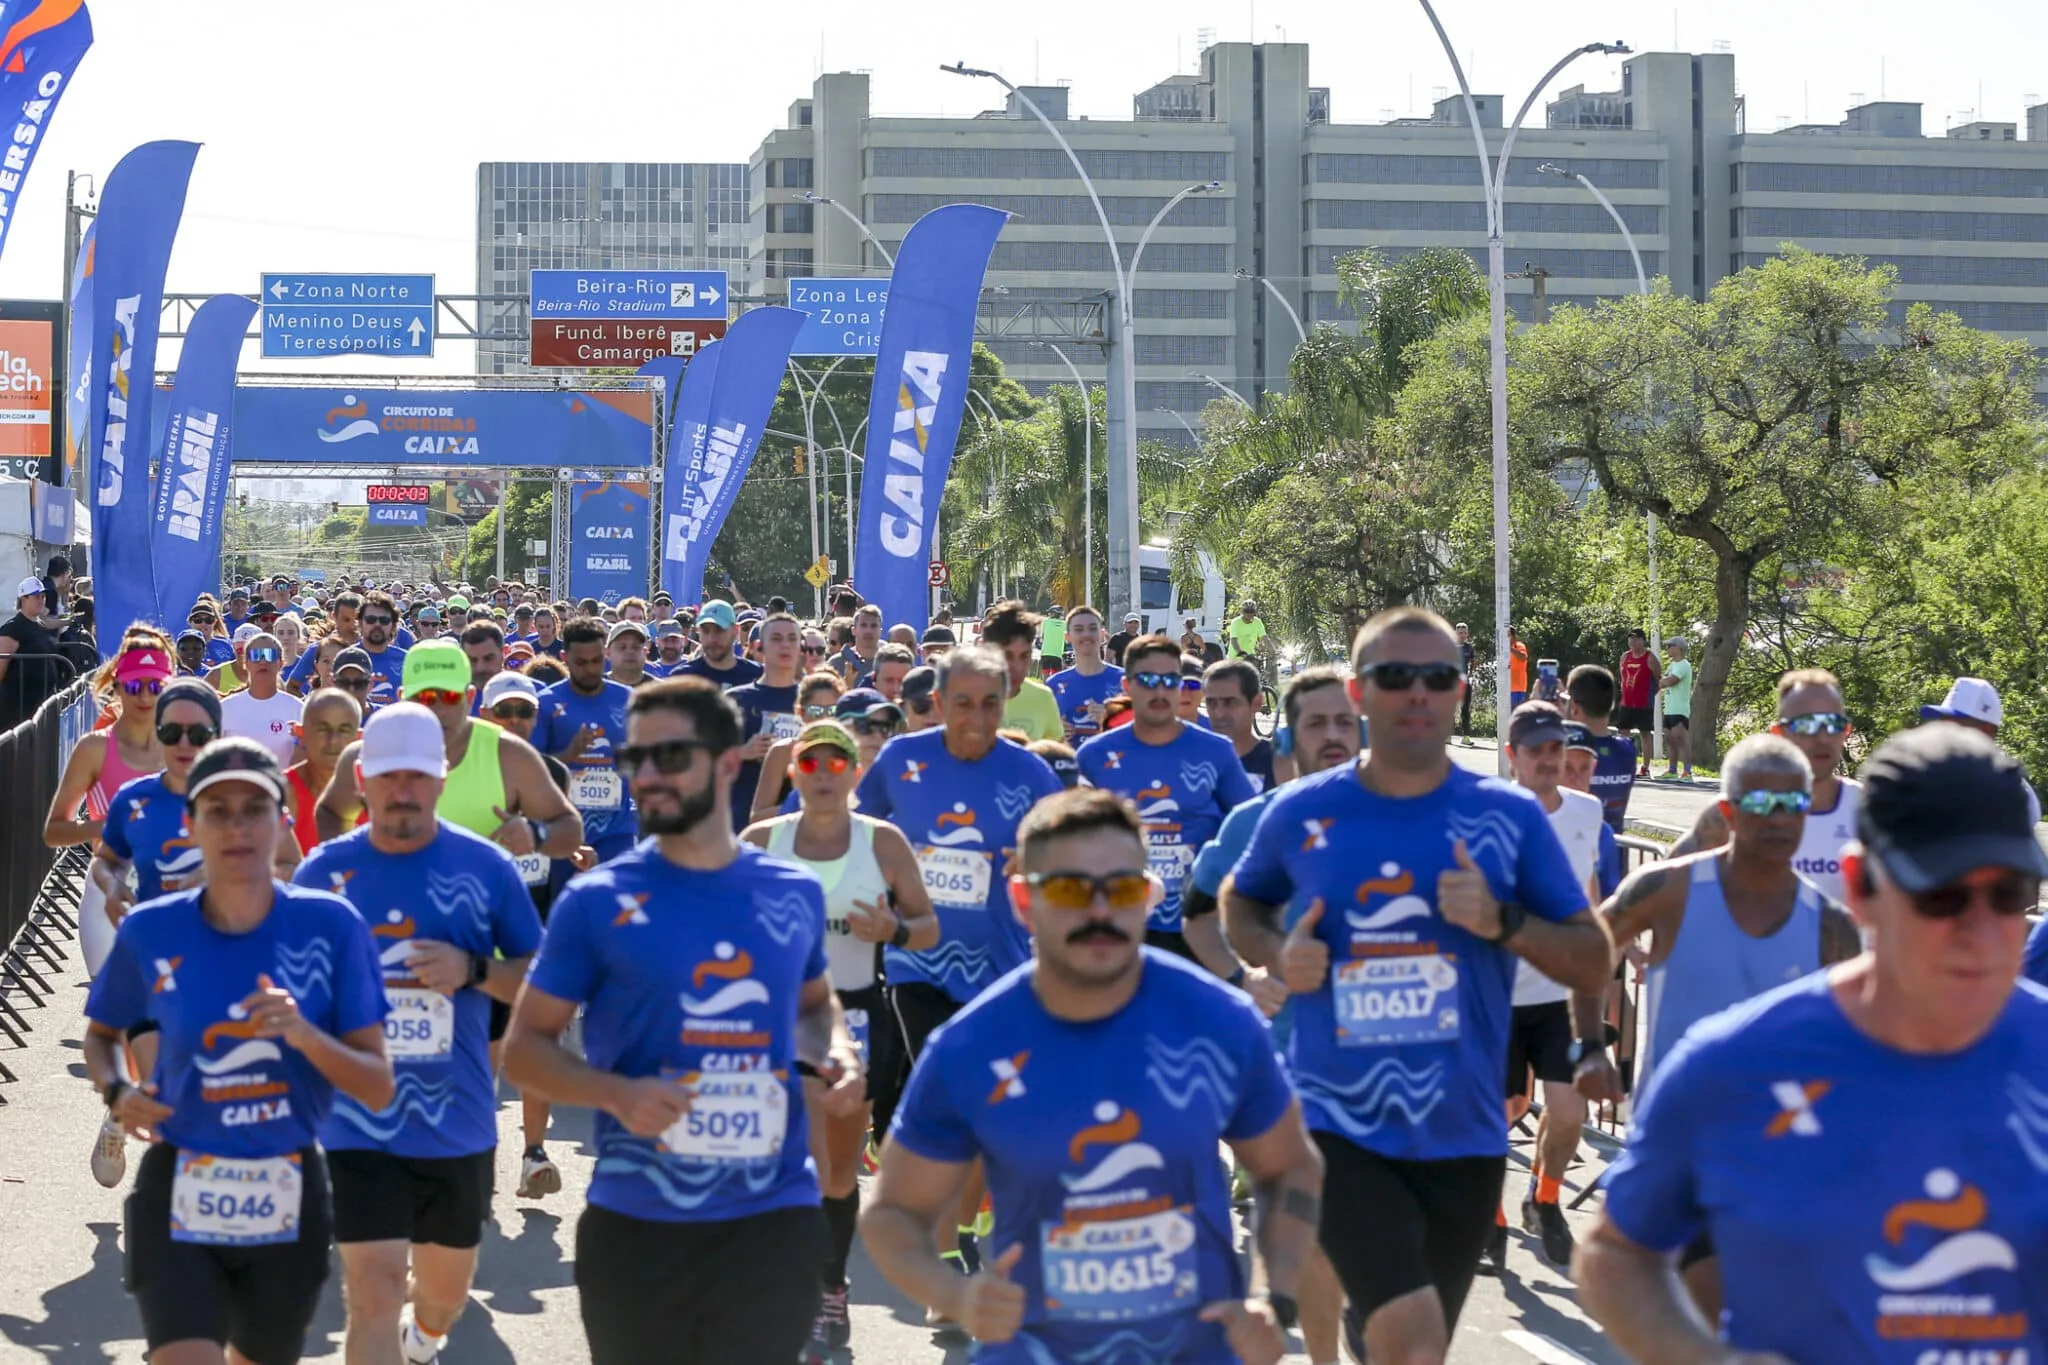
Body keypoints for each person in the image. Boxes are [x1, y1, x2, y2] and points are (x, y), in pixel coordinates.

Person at [1578, 724, 2048, 1365]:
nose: (1981, 932)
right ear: (1861, 888)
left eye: (2009, 895)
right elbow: (1616, 1253)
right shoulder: (1732, 1065)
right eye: (1941, 896)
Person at [1222, 607, 1612, 1365]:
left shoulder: (1504, 817)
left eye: (1437, 677)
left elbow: (1592, 957)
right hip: (1338, 1127)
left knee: (1404, 1344)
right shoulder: (1305, 811)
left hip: (1463, 1135)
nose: (1418, 693)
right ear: (1361, 691)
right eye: (1396, 677)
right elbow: (1241, 902)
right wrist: (1274, 952)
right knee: (1411, 1337)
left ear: (1461, 691)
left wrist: (1503, 921)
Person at [864, 786, 1323, 1365]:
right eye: (1070, 890)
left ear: (1149, 895)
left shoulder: (1215, 1019)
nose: (1099, 911)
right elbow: (890, 1214)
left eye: (1122, 889)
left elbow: (1291, 1167)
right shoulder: (974, 1045)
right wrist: (954, 1293)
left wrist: (1272, 1300)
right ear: (1023, 900)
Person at [501, 678, 864, 1365]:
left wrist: (837, 1051)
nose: (648, 776)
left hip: (772, 1217)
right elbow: (523, 1051)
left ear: (729, 762)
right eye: (637, 758)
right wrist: (616, 1093)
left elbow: (814, 1004)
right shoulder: (597, 900)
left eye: (671, 755)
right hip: (639, 1220)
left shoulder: (788, 890)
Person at [83, 738, 393, 1365]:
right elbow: (101, 1033)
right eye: (216, 810)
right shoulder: (152, 927)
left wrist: (305, 1034)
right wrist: (119, 1091)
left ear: (282, 820)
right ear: (191, 825)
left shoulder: (330, 926)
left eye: (254, 808)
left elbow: (378, 1083)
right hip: (178, 1187)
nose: (236, 826)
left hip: (286, 1188)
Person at [1573, 732, 1863, 1320]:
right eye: (1760, 803)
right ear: (1728, 811)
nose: (1779, 818)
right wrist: (1589, 1046)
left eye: (1793, 804)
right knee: (1700, 1313)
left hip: (1773, 1155)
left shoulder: (1831, 927)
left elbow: (1853, 1049)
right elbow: (1589, 950)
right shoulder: (1669, 888)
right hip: (1674, 1143)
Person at [295, 704, 543, 1365]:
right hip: (356, 1123)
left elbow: (542, 984)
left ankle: (423, 1341)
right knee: (372, 1293)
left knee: (442, 1296)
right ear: (362, 782)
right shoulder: (322, 874)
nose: (401, 791)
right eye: (386, 777)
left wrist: (474, 968)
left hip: (456, 1122)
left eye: (415, 777)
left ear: (440, 778)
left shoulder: (485, 868)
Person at [853, 646, 1065, 1282]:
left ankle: (966, 1217)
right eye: (963, 703)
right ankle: (948, 1234)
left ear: (1007, 703)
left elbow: (1068, 848)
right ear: (937, 704)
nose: (977, 717)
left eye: (991, 703)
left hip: (1001, 963)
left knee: (991, 1106)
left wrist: (1036, 860)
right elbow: (858, 827)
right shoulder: (902, 760)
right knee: (962, 1089)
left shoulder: (1028, 773)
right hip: (918, 959)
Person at [742, 720, 938, 1358]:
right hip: (773, 1021)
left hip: (854, 1018)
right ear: (793, 772)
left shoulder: (881, 841)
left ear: (855, 774)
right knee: (777, 1161)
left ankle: (829, 1286)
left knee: (834, 1169)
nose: (823, 776)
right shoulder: (759, 841)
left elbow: (928, 926)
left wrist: (893, 930)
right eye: (810, 763)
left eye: (837, 764)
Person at [1184, 663, 1357, 1365]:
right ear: (1289, 736)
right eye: (1317, 723)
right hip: (1294, 1062)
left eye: (1347, 721)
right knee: (1310, 1226)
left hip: (1401, 1064)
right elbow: (1197, 916)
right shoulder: (1256, 822)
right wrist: (1243, 976)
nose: (1334, 736)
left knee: (1383, 1254)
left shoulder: (1417, 818)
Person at [1077, 634, 1257, 979]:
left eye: (1171, 680)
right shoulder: (1094, 756)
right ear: (1127, 685)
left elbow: (1248, 832)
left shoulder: (1216, 751)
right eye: (1148, 680)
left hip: (1196, 926)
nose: (1160, 691)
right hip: (1119, 927)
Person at [1499, 701, 1607, 1271]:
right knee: (1507, 1106)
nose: (1547, 760)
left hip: (1558, 992)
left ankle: (1544, 1198)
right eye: (1535, 751)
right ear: (1512, 756)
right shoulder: (1488, 813)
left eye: (1555, 750)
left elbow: (1587, 891)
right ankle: (1489, 1218)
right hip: (1498, 990)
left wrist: (1603, 950)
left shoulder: (1587, 812)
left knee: (1568, 1112)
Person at [1672, 668, 1862, 904]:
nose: (1822, 738)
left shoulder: (1870, 809)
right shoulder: (1739, 808)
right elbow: (1663, 885)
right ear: (1779, 733)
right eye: (1807, 725)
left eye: (1833, 724)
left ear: (1846, 731)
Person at [533, 618, 638, 863]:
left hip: (617, 832)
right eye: (581, 662)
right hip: (564, 831)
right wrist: (567, 756)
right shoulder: (546, 703)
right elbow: (531, 768)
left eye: (597, 661)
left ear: (606, 655)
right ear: (564, 657)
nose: (590, 669)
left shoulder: (627, 700)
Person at [1920, 675, 2042, 823]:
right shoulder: (1926, 776)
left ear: (1986, 729)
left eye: (1955, 724)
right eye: (1943, 722)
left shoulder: (2012, 793)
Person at [725, 612, 807, 828]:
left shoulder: (812, 700)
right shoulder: (735, 699)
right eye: (777, 639)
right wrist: (743, 752)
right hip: (741, 819)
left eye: (792, 639)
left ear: (800, 647)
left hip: (799, 824)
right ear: (760, 647)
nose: (785, 645)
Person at [748, 671, 849, 825]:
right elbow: (756, 817)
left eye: (832, 711)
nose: (824, 718)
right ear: (801, 713)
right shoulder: (783, 752)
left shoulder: (851, 753)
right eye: (816, 711)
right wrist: (805, 806)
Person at [285, 688, 361, 856]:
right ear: (301, 734)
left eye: (344, 730)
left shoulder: (378, 794)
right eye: (322, 729)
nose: (333, 740)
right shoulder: (282, 794)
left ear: (358, 738)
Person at [1564, 664, 1637, 834]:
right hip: (1614, 853)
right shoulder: (1627, 750)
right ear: (1611, 705)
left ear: (1574, 707)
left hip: (1576, 851)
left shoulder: (1569, 752)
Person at [982, 599, 1065, 743]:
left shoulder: (1043, 698)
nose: (1017, 667)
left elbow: (1058, 757)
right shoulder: (963, 697)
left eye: (1024, 656)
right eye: (1007, 656)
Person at [220, 632, 300, 765]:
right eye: (256, 655)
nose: (263, 661)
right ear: (246, 663)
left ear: (281, 663)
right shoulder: (225, 708)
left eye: (270, 655)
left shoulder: (297, 708)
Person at [1046, 605, 1123, 743]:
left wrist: (1110, 721)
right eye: (1079, 630)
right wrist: (1056, 734)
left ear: (1102, 634)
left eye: (1093, 628)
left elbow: (1143, 733)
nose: (1086, 634)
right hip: (1069, 763)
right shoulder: (1053, 685)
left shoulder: (1124, 681)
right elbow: (1041, 740)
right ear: (1067, 637)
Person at [1203, 657, 1277, 793]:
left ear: (1256, 703)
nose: (1219, 713)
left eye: (1230, 702)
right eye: (1211, 703)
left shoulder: (1279, 764)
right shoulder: (1194, 761)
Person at [0, 574, 64, 727]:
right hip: (18, 711)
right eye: (36, 596)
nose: (41, 600)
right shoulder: (13, 628)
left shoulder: (40, 626)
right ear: (23, 599)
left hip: (42, 707)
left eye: (43, 596)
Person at [675, 599, 763, 688]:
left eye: (719, 630)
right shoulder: (682, 679)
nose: (711, 638)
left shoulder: (758, 676)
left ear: (735, 630)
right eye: (706, 631)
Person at [1615, 629, 1660, 774]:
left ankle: (1645, 767)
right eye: (1630, 639)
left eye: (1636, 639)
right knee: (1623, 733)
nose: (1633, 642)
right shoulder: (1625, 656)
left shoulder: (1650, 658)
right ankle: (1623, 763)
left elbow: (1657, 679)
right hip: (1626, 702)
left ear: (1643, 640)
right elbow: (1622, 677)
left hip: (1644, 703)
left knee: (1645, 734)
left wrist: (1651, 694)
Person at [1658, 636, 1694, 780]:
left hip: (1680, 709)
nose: (1667, 649)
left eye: (1670, 646)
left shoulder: (1684, 665)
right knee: (1670, 740)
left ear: (1678, 648)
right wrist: (1662, 681)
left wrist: (1662, 681)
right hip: (1669, 709)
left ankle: (1687, 772)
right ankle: (1672, 771)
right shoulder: (1672, 665)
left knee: (1681, 740)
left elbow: (1671, 681)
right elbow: (1663, 681)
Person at [605, 619, 654, 688]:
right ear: (607, 653)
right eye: (622, 647)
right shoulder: (592, 691)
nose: (629, 651)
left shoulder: (659, 692)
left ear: (645, 651)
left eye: (635, 647)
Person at [898, 664, 940, 735]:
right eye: (922, 705)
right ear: (904, 709)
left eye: (939, 704)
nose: (932, 713)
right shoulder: (889, 745)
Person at [1226, 598, 1268, 665]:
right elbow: (1234, 641)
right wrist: (1242, 653)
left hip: (1250, 658)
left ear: (1254, 612)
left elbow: (1265, 638)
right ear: (1242, 611)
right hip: (1234, 659)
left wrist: (1273, 651)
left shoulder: (1258, 622)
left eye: (1252, 611)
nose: (1249, 613)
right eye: (1247, 611)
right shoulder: (1235, 622)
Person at [1453, 622, 1475, 742]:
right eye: (1460, 632)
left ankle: (1466, 736)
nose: (1462, 635)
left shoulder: (1469, 647)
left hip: (1465, 681)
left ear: (1467, 634)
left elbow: (1472, 661)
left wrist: (1470, 674)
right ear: (1456, 633)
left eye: (1464, 633)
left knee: (1465, 708)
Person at [1036, 605, 1066, 677]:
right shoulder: (1064, 624)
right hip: (1057, 654)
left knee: (1045, 674)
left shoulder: (1046, 622)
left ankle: (1045, 687)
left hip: (1046, 652)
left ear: (1054, 613)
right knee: (1055, 675)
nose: (1049, 614)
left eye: (1050, 613)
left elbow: (1042, 636)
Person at [1507, 626, 1529, 710]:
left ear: (1513, 636)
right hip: (1507, 687)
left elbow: (1523, 657)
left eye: (1508, 636)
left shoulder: (1519, 646)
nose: (1506, 639)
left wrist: (1510, 649)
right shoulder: (1502, 650)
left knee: (1518, 712)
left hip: (1519, 687)